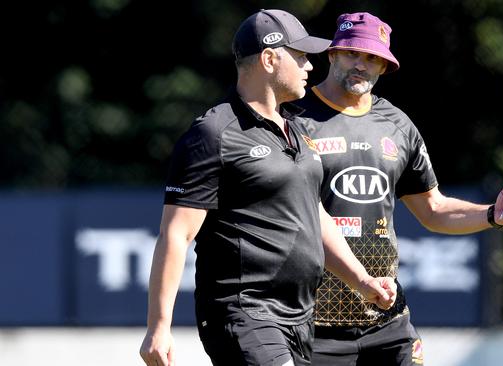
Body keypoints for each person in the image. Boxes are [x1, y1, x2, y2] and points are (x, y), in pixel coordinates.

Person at [139, 9, 399, 366]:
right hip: (244, 313)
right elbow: (176, 234)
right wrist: (159, 326)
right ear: (270, 58)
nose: (310, 66)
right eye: (302, 57)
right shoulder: (214, 133)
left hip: (299, 319)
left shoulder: (297, 130)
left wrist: (363, 282)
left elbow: (315, 215)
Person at [292, 12, 503, 365]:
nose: (361, 65)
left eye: (373, 58)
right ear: (332, 54)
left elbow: (433, 210)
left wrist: (492, 214)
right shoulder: (291, 117)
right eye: (353, 53)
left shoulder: (397, 126)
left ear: (384, 68)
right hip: (312, 324)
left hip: (386, 321)